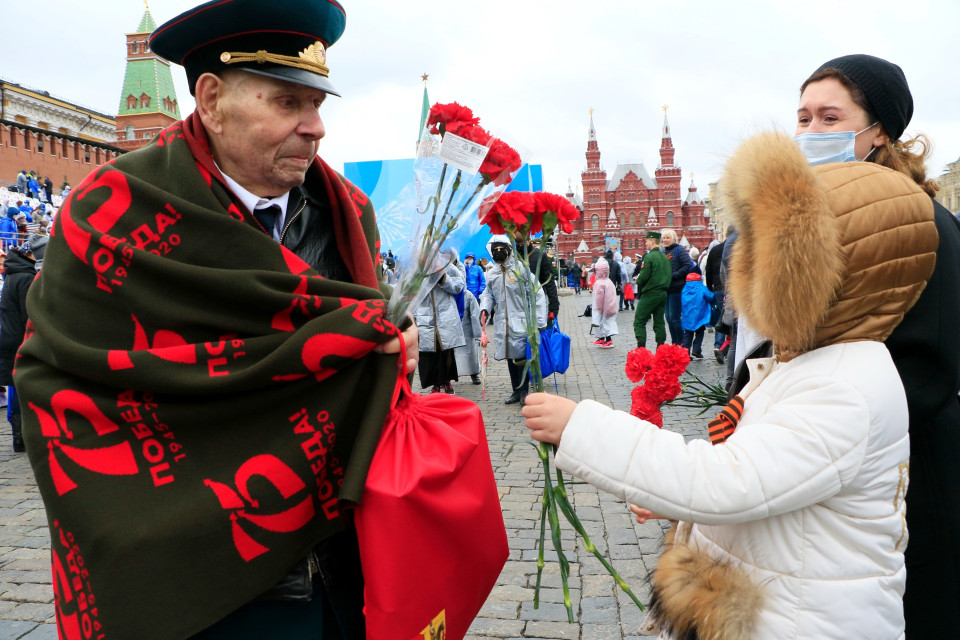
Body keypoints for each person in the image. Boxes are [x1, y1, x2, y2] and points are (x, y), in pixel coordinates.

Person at [14, 1, 419, 638]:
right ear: (210, 98)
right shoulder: (111, 213)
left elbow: (356, 355)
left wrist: (391, 355)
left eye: (319, 105)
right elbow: (56, 379)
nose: (316, 128)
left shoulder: (348, 212)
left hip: (343, 568)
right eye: (288, 103)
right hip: (190, 583)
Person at [524, 127, 938, 639]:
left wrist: (581, 428)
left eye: (773, 260)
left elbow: (729, 482)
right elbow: (766, 474)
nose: (752, 271)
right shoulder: (810, 360)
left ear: (826, 277)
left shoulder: (845, 384)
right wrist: (672, 499)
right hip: (781, 606)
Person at [797, 53, 960, 639]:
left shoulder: (923, 222)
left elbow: (930, 364)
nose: (811, 133)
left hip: (905, 474)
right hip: (841, 465)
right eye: (804, 117)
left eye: (830, 118)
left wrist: (810, 427)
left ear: (879, 132)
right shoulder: (828, 219)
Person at [479, 235, 546, 406]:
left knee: (522, 356)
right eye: (495, 250)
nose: (499, 252)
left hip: (521, 320)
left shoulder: (521, 269)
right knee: (510, 357)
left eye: (502, 249)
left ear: (509, 250)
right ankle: (516, 390)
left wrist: (538, 321)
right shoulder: (492, 273)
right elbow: (488, 293)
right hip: (503, 322)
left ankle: (525, 391)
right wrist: (485, 307)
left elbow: (537, 292)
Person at [1, 242, 40, 453]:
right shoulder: (25, 277)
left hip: (9, 335)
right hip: (20, 337)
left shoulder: (12, 274)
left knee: (15, 386)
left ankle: (19, 436)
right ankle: (22, 437)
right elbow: (29, 313)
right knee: (21, 385)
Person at [414, 258, 465, 394]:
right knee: (429, 353)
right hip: (425, 317)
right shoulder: (416, 271)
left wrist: (443, 277)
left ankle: (447, 382)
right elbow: (410, 293)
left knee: (445, 351)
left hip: (445, 316)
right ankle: (435, 384)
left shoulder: (449, 268)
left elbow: (458, 287)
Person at [633, 231, 670, 349]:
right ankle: (661, 349)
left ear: (653, 241)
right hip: (663, 293)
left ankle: (641, 350)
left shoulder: (649, 257)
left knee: (639, 321)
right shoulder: (665, 257)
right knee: (659, 321)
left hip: (650, 293)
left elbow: (643, 276)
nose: (645, 243)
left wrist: (637, 280)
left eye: (647, 241)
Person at [660, 229, 693, 344]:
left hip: (677, 288)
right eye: (663, 238)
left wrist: (676, 275)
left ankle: (681, 344)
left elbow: (688, 265)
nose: (665, 240)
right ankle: (675, 343)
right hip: (666, 290)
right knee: (669, 319)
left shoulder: (679, 249)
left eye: (667, 238)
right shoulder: (663, 252)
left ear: (674, 239)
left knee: (674, 318)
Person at [679, 269, 713, 358]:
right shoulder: (702, 287)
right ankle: (696, 350)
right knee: (700, 332)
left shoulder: (685, 289)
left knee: (687, 334)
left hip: (687, 316)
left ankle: (685, 353)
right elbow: (710, 297)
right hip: (699, 315)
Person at [590, 259, 617, 347]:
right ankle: (602, 338)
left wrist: (597, 307)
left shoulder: (599, 283)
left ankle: (608, 340)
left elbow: (599, 298)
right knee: (605, 323)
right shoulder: (609, 282)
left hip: (602, 308)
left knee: (604, 323)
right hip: (610, 307)